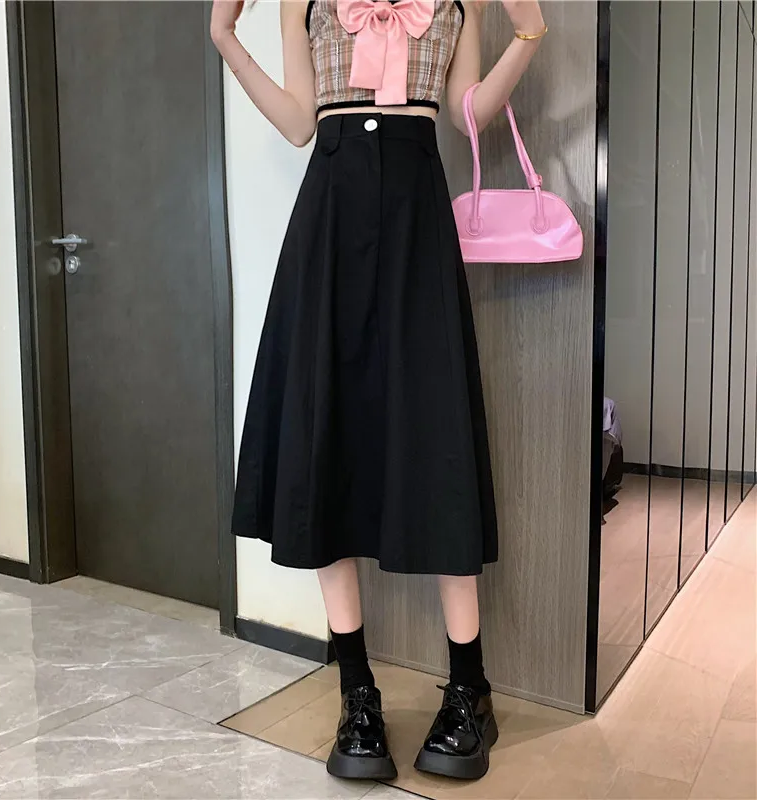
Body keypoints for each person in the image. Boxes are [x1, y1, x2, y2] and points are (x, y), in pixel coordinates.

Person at [211, 0, 545, 781]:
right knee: (328, 436)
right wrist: (223, 36)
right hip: (328, 228)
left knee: (436, 438)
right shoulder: (305, 2)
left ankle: (469, 689)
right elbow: (300, 123)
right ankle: (356, 692)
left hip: (417, 226)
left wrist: (530, 34)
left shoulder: (455, 3)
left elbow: (467, 117)